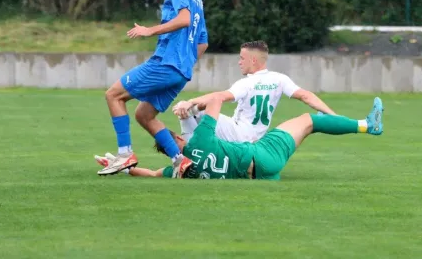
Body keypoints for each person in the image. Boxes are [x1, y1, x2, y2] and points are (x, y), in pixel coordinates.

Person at [98, 0, 208, 176]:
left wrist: (149, 30)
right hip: (181, 72)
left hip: (166, 64)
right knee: (144, 115)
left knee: (113, 95)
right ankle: (179, 160)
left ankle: (124, 153)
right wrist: (184, 64)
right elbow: (203, 43)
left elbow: (183, 19)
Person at [94, 97, 384, 179]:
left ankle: (273, 177)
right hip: (262, 155)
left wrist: (123, 166)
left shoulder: (179, 172)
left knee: (300, 132)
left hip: (260, 173)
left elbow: (152, 174)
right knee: (309, 120)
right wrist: (195, 102)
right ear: (176, 142)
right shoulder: (200, 142)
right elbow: (218, 102)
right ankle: (366, 125)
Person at [173, 40, 335, 144]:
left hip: (238, 134)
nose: (239, 62)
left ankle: (190, 158)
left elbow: (219, 97)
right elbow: (306, 96)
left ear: (254, 60)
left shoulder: (247, 83)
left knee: (187, 109)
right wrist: (332, 115)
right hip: (255, 138)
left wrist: (190, 101)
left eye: (242, 58)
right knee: (196, 110)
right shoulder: (279, 79)